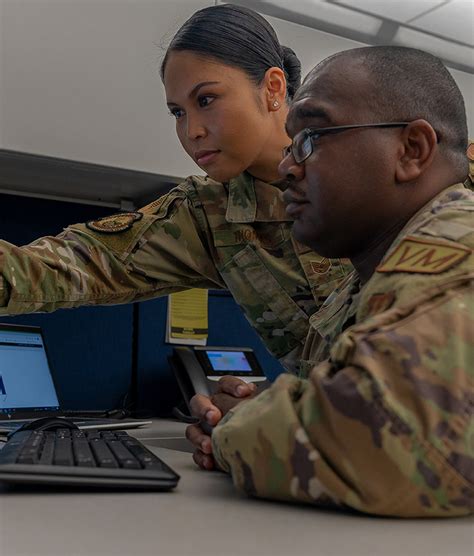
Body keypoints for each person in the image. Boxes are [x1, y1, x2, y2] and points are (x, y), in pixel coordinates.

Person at [199, 46, 473, 518]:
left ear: (411, 150)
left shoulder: (458, 244)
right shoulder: (362, 281)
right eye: (290, 145)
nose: (286, 168)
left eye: (312, 137)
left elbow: (396, 451)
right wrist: (272, 407)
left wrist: (238, 424)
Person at [0, 5, 350, 370]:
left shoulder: (361, 170)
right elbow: (71, 265)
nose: (192, 131)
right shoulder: (208, 215)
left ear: (273, 88)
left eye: (206, 100)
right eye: (178, 113)